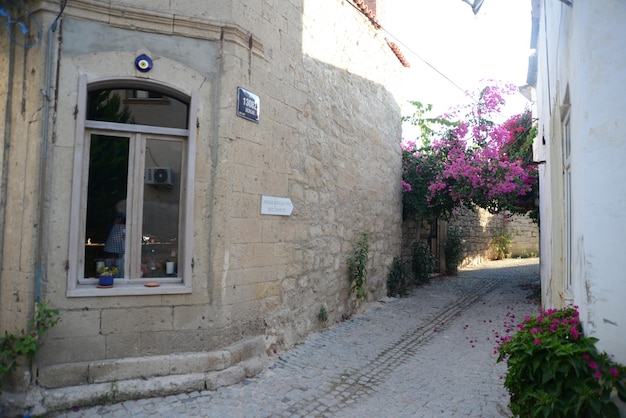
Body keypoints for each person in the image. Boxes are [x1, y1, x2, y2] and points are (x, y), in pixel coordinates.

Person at [104, 212, 125, 277]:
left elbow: (117, 239)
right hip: (117, 254)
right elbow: (116, 239)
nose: (115, 220)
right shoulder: (117, 228)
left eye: (117, 219)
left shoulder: (122, 228)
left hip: (121, 254)